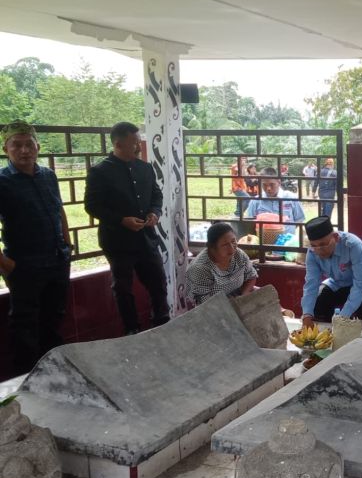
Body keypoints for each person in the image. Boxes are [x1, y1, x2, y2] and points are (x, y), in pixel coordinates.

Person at [0, 120, 72, 374]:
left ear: (37, 147)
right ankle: (26, 382)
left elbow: (58, 209)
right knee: (25, 326)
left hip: (57, 260)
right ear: (6, 149)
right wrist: (6, 264)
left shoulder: (48, 175)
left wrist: (67, 242)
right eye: (16, 145)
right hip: (24, 266)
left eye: (28, 144)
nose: (23, 151)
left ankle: (53, 374)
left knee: (53, 319)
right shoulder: (2, 181)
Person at [84, 121, 170, 335]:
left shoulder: (145, 167)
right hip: (118, 241)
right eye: (134, 142)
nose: (138, 146)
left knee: (158, 282)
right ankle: (132, 330)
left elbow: (156, 195)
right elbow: (92, 206)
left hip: (146, 237)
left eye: (139, 141)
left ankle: (162, 324)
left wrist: (154, 213)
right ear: (118, 144)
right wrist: (121, 220)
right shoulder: (100, 172)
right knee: (123, 288)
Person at [300, 216, 362, 327]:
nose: (319, 250)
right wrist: (307, 315)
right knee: (316, 305)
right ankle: (329, 332)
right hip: (338, 282)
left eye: (323, 244)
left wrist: (344, 316)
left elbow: (360, 284)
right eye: (314, 246)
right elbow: (311, 284)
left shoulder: (353, 245)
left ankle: (353, 330)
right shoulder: (312, 252)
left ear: (336, 237)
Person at [187, 223, 257, 305]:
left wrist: (242, 297)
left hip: (237, 298)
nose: (231, 248)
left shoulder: (238, 254)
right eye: (225, 245)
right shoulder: (200, 268)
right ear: (212, 247)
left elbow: (251, 276)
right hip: (212, 309)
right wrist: (231, 306)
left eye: (233, 241)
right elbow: (205, 304)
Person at [246, 167, 306, 235]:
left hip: (287, 243)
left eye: (272, 184)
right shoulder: (255, 201)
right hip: (264, 243)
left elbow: (299, 220)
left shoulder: (291, 198)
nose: (268, 188)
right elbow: (251, 224)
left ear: (279, 182)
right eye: (264, 185)